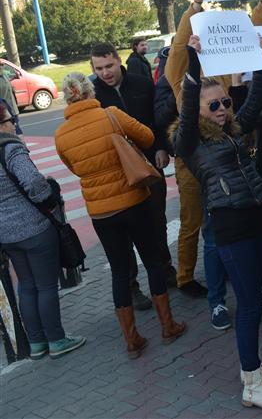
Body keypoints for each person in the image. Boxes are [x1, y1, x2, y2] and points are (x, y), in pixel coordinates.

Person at [170, 35, 262, 411]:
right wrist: (192, 56)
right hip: (230, 226)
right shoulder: (189, 140)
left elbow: (254, 97)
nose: (222, 108)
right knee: (250, 305)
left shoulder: (233, 130)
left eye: (224, 102)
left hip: (255, 219)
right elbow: (189, 104)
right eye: (213, 105)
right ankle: (252, 383)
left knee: (255, 295)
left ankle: (252, 368)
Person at [54, 72, 186, 358]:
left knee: (118, 271)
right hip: (134, 200)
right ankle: (167, 325)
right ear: (91, 92)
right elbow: (148, 137)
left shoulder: (61, 134)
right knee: (151, 261)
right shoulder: (111, 115)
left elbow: (75, 168)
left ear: (67, 97)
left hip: (101, 212)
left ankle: (132, 339)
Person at [90, 42, 176, 310]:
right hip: (119, 175)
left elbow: (157, 119)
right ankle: (133, 287)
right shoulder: (92, 96)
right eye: (99, 68)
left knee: (156, 220)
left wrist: (161, 146)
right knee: (125, 233)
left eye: (109, 66)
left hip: (151, 165)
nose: (105, 73)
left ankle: (165, 269)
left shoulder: (141, 84)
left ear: (119, 61)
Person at [0, 100, 86, 360]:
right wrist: (48, 194)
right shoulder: (11, 149)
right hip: (35, 229)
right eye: (11, 121)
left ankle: (37, 343)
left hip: (7, 235)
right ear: (2, 123)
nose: (14, 125)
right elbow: (34, 184)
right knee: (47, 286)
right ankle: (57, 340)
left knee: (27, 286)